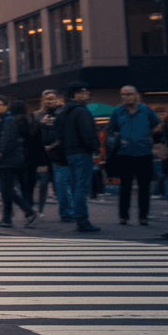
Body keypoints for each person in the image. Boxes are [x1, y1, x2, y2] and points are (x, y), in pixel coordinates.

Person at [108, 85, 162, 226]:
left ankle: (143, 216)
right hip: (125, 155)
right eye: (123, 94)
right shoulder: (118, 111)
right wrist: (117, 135)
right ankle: (123, 216)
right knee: (125, 187)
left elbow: (157, 125)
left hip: (144, 154)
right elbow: (111, 128)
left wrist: (153, 141)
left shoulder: (146, 109)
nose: (126, 97)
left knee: (144, 187)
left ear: (136, 95)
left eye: (129, 94)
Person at [56, 82, 101, 233]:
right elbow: (88, 133)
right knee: (82, 188)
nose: (86, 94)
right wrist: (95, 146)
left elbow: (59, 133)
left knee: (75, 187)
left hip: (70, 154)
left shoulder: (64, 111)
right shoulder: (81, 111)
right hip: (82, 153)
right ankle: (83, 221)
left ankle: (79, 217)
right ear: (75, 95)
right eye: (83, 91)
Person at [0, 97, 38, 228]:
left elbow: (8, 140)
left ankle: (29, 212)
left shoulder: (9, 120)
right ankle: (7, 218)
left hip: (7, 161)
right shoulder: (4, 120)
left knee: (7, 191)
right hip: (5, 161)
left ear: (6, 106)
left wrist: (0, 154)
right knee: (7, 191)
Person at [34, 89, 70, 220]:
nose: (50, 101)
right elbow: (35, 134)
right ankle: (39, 210)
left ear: (57, 99)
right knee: (43, 183)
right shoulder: (37, 115)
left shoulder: (62, 113)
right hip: (43, 155)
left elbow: (64, 132)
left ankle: (65, 212)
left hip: (58, 153)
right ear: (43, 100)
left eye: (52, 98)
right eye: (47, 98)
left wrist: (55, 144)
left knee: (60, 184)